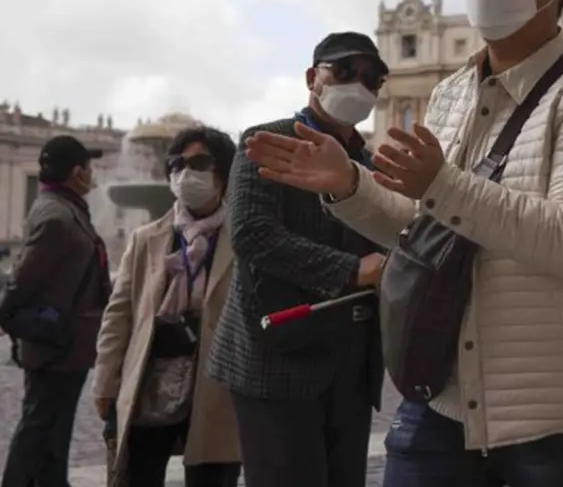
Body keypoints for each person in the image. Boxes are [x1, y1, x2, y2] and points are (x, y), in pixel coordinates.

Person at [242, 0, 563, 486]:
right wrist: (349, 183)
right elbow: (421, 228)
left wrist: (442, 186)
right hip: (444, 395)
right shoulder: (451, 93)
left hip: (555, 418)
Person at [206, 32, 390, 487]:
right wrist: (353, 270)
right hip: (277, 356)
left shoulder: (368, 163)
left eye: (372, 79)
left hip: (351, 363)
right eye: (344, 72)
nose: (359, 87)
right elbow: (252, 235)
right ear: (313, 77)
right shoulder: (266, 141)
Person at [93, 126, 242, 487]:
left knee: (212, 476)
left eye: (199, 163)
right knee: (138, 474)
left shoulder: (243, 240)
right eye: (176, 163)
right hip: (151, 381)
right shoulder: (147, 239)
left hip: (215, 387)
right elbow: (119, 315)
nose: (185, 172)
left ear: (223, 172)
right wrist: (105, 383)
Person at [1, 135, 111, 487]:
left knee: (55, 428)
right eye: (89, 168)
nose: (92, 174)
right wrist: (11, 319)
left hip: (67, 344)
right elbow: (22, 281)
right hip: (55, 343)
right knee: (39, 426)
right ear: (78, 172)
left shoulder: (63, 207)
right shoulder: (57, 216)